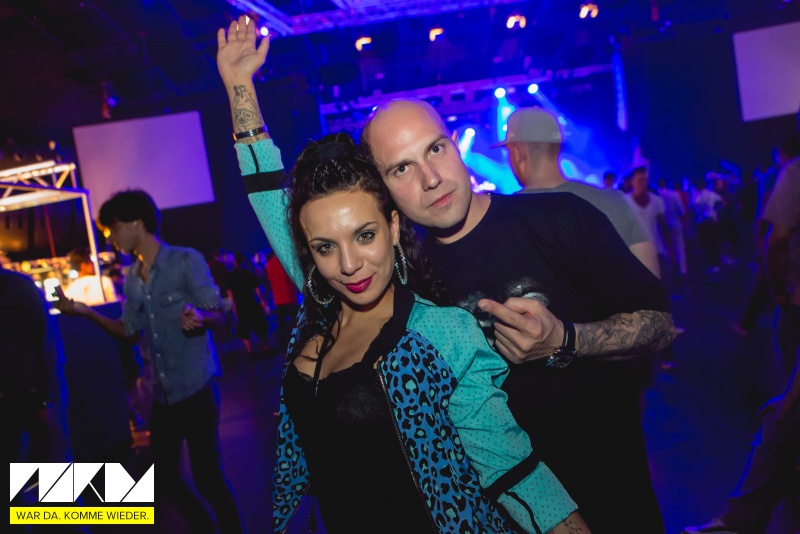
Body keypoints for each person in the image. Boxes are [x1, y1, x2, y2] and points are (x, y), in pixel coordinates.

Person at [221, 16, 674, 533]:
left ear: (456, 145)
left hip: (608, 496)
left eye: (435, 149)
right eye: (402, 168)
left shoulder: (560, 217)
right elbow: (292, 222)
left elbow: (660, 325)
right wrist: (240, 88)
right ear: (383, 195)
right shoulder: (384, 274)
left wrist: (565, 339)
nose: (431, 178)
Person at [53, 189, 244, 534]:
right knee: (163, 477)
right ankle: (205, 527)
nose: (110, 238)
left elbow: (219, 314)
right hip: (163, 395)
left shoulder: (185, 261)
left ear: (137, 223)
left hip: (197, 386)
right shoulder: (131, 278)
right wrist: (85, 313)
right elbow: (128, 331)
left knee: (208, 477)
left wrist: (201, 317)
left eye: (113, 228)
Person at [681, 140, 800, 534]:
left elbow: (775, 238)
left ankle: (740, 522)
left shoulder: (793, 173)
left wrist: (779, 289)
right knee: (781, 415)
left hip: (794, 301)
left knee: (781, 418)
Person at [499, 106, 659, 278]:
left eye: (509, 151)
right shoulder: (615, 201)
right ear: (557, 147)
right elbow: (651, 281)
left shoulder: (505, 216)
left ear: (519, 151)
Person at [227, 251, 272, 355]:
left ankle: (249, 351)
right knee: (260, 325)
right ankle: (265, 346)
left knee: (244, 328)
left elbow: (230, 294)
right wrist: (263, 301)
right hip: (252, 302)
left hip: (240, 305)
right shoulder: (249, 273)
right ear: (243, 261)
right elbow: (257, 290)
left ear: (234, 262)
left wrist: (233, 307)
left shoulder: (231, 276)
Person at [691, 175, 726, 274]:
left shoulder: (697, 195)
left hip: (703, 222)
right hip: (713, 221)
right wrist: (716, 210)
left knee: (706, 244)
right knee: (715, 243)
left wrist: (699, 213)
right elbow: (723, 202)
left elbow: (694, 207)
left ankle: (710, 265)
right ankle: (715, 264)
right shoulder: (712, 194)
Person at [265, 252, 299, 354]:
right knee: (296, 323)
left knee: (281, 326)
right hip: (289, 296)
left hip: (278, 298)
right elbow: (292, 278)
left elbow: (270, 280)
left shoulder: (269, 264)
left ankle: (283, 348)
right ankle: (299, 344)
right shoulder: (285, 262)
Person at [658, 178, 689, 279]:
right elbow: (682, 210)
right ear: (666, 184)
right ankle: (682, 271)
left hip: (661, 226)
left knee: (664, 248)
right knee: (679, 248)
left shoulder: (655, 195)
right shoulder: (673, 194)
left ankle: (669, 271)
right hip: (675, 223)